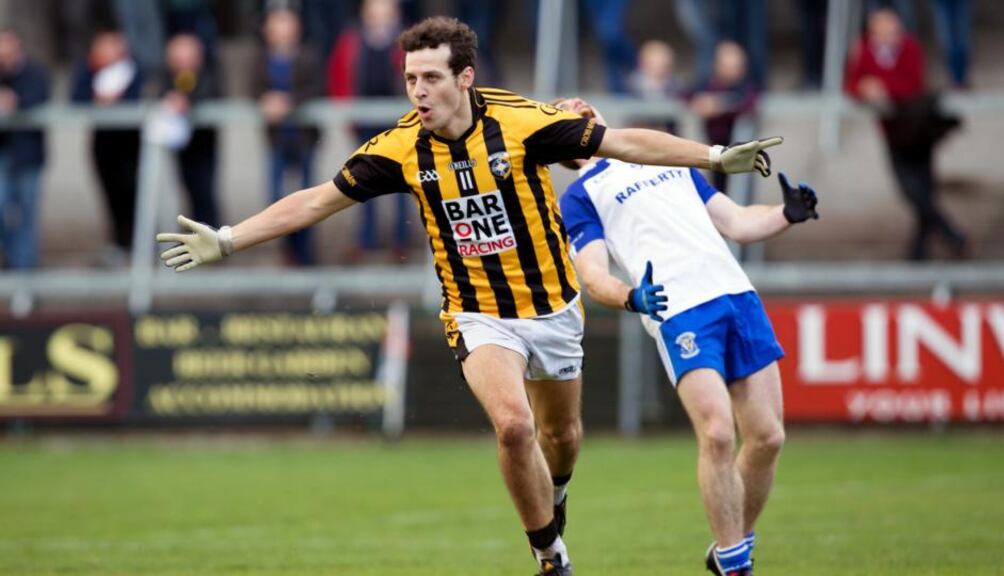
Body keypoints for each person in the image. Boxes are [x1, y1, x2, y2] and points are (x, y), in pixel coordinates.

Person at [156, 17, 781, 576]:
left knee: (561, 437)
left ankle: (555, 494)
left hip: (554, 308)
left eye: (430, 77)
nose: (418, 91)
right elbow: (317, 200)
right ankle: (549, 554)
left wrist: (715, 155)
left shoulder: (522, 122)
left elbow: (623, 142)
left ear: (465, 77)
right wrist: (230, 238)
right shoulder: (400, 148)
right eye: (410, 79)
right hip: (477, 312)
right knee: (514, 426)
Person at [555, 98, 818, 576]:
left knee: (767, 437)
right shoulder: (580, 197)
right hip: (680, 310)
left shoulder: (667, 159)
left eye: (578, 103)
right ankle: (737, 562)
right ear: (564, 142)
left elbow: (736, 222)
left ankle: (729, 550)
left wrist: (787, 213)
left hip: (737, 296)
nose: (575, 105)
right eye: (563, 112)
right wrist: (631, 297)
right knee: (717, 432)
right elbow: (592, 275)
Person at [844, 7, 966, 260]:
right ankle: (943, 237)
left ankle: (927, 246)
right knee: (911, 190)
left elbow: (914, 85)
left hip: (918, 129)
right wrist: (865, 89)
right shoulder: (865, 51)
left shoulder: (910, 48)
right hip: (893, 132)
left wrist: (883, 87)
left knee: (923, 189)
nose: (889, 35)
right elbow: (852, 84)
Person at [327, 0, 411, 261]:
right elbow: (338, 77)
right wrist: (348, 114)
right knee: (362, 181)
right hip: (363, 123)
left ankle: (401, 241)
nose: (379, 16)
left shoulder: (408, 42)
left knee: (402, 184)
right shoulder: (351, 41)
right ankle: (366, 240)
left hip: (398, 123)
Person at [252, 7, 323, 266]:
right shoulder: (261, 59)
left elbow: (318, 88)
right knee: (276, 196)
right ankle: (288, 248)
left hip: (303, 138)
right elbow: (252, 89)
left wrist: (289, 102)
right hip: (277, 139)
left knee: (309, 199)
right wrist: (265, 100)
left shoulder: (309, 56)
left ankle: (306, 252)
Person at [71, 29, 143, 266]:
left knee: (135, 194)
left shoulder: (136, 71)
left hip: (132, 146)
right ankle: (119, 243)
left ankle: (140, 244)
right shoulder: (89, 72)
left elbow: (142, 98)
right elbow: (76, 98)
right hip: (104, 146)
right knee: (112, 197)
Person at [159, 32, 221, 228]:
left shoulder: (208, 74)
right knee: (174, 190)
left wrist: (188, 102)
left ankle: (209, 233)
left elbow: (212, 92)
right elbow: (154, 92)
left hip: (202, 144)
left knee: (203, 190)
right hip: (173, 145)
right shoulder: (165, 77)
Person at [0, 28, 50, 269]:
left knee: (27, 215)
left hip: (28, 155)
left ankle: (25, 270)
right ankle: (11, 259)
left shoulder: (35, 72)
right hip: (4, 154)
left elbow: (39, 98)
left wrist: (16, 102)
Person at [687, 41, 759, 194]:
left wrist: (718, 105)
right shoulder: (706, 84)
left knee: (741, 193)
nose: (732, 71)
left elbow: (749, 104)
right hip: (711, 151)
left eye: (736, 67)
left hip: (740, 155)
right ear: (717, 66)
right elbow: (686, 96)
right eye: (727, 66)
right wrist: (699, 103)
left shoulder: (746, 87)